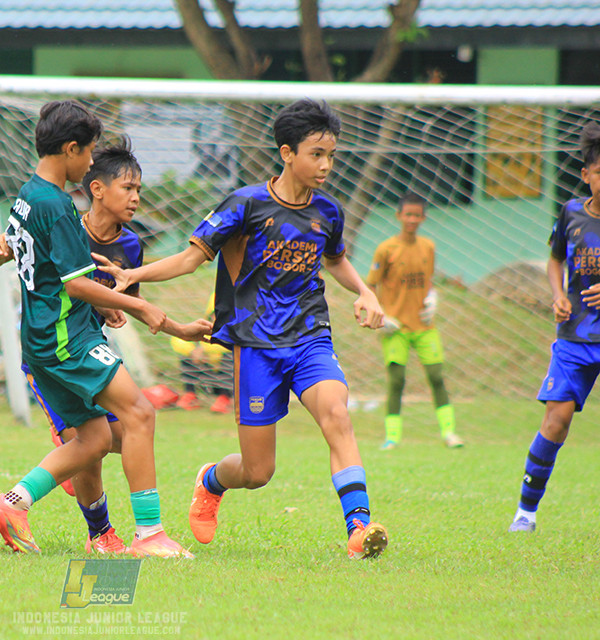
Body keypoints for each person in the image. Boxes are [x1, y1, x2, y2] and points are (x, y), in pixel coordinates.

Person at [95, 99, 390, 559]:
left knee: (337, 414)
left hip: (309, 336)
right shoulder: (245, 205)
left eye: (331, 156)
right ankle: (212, 480)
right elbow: (190, 259)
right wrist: (134, 274)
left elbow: (335, 259)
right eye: (316, 154)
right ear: (287, 153)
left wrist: (365, 291)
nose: (326, 165)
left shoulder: (328, 211)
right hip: (255, 346)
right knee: (257, 472)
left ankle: (359, 527)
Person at [0, 102, 210, 557]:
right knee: (140, 414)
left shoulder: (28, 195)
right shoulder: (58, 206)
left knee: (96, 439)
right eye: (87, 153)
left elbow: (31, 263)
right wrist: (139, 306)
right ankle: (150, 535)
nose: (89, 164)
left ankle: (13, 504)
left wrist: (146, 315)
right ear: (71, 149)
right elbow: (77, 285)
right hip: (66, 337)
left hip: (43, 337)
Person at [508, 121, 600, 533]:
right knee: (555, 422)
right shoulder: (571, 213)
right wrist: (559, 294)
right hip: (575, 337)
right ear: (586, 175)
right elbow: (555, 259)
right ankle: (525, 513)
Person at [365, 192, 465, 450]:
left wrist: (433, 297)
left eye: (417, 215)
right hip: (395, 327)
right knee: (397, 380)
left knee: (436, 376)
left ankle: (449, 433)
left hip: (424, 326)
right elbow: (371, 286)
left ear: (423, 218)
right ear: (399, 216)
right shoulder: (386, 249)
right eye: (408, 214)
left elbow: (427, 281)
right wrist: (380, 314)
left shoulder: (428, 247)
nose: (412, 219)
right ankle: (392, 437)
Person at [171, 293, 234, 414]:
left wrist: (205, 350)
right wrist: (193, 351)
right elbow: (177, 341)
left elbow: (231, 345)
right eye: (214, 314)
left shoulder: (237, 330)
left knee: (230, 357)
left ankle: (225, 399)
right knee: (187, 355)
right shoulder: (205, 330)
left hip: (231, 378)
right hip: (209, 376)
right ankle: (190, 395)